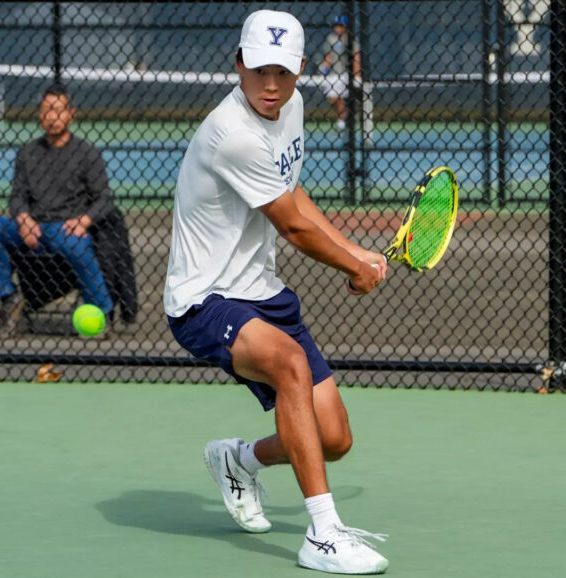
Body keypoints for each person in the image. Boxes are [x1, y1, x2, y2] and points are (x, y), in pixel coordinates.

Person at [163, 10, 389, 575]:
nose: (271, 85)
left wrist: (355, 250)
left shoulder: (293, 109)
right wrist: (351, 264)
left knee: (333, 438)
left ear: (300, 71)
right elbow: (290, 226)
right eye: (259, 70)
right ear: (237, 64)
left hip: (261, 290)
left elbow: (293, 194)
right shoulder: (232, 133)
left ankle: (239, 459)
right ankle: (324, 534)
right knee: (289, 364)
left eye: (283, 73)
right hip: (203, 299)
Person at [0, 84, 136, 338]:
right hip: (32, 228)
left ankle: (102, 312)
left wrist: (83, 222)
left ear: (71, 114)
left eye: (59, 111)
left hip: (65, 229)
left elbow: (104, 199)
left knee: (76, 245)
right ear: (39, 115)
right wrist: (24, 219)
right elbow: (17, 196)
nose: (53, 117)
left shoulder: (87, 153)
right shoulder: (27, 153)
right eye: (47, 110)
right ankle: (9, 298)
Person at [318, 14, 362, 132]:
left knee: (345, 97)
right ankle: (345, 114)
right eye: (336, 25)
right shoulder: (330, 39)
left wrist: (357, 75)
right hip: (333, 74)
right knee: (332, 98)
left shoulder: (351, 39)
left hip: (346, 74)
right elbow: (328, 57)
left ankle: (342, 120)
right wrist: (323, 68)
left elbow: (356, 58)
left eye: (340, 26)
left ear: (345, 27)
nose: (337, 28)